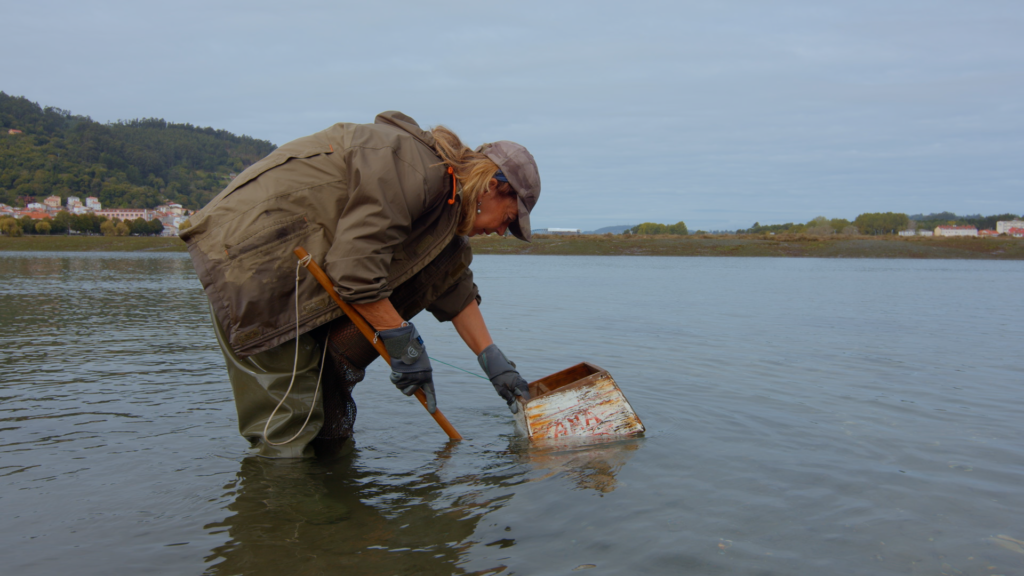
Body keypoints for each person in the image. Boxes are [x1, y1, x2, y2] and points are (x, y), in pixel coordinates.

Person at [180, 111, 540, 458]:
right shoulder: (416, 171)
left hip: (296, 275)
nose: (501, 232)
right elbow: (354, 271)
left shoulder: (445, 206)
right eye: (507, 219)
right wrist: (403, 341)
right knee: (287, 430)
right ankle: (282, 496)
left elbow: (451, 281)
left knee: (320, 426)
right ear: (492, 187)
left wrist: (493, 362)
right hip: (254, 263)